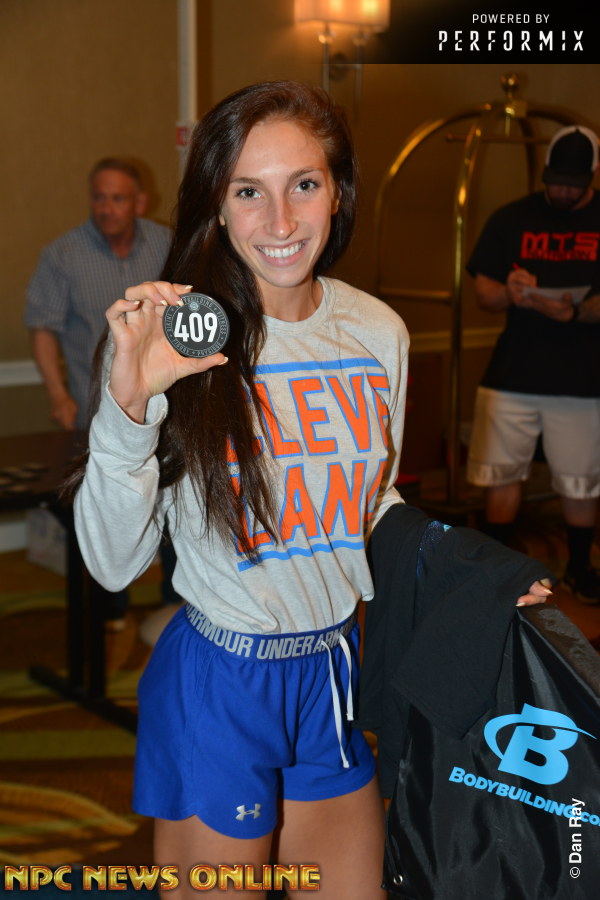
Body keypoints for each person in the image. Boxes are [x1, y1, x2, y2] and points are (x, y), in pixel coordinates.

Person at [67, 82, 549, 898]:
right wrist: (128, 407)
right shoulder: (175, 340)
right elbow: (113, 564)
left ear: (338, 192)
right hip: (222, 679)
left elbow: (370, 502)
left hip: (330, 671)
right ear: (217, 206)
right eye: (248, 191)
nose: (281, 220)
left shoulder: (377, 332)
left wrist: (476, 576)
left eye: (304, 184)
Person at [24, 158, 177, 627]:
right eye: (99, 197)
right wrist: (58, 395)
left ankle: (175, 603)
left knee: (172, 505)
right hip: (95, 413)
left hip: (166, 409)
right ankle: (110, 613)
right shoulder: (63, 254)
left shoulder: (166, 244)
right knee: (103, 512)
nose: (106, 207)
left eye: (117, 198)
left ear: (140, 202)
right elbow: (42, 329)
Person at [466, 125, 600, 605]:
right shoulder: (511, 218)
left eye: (572, 184)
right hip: (513, 372)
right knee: (500, 474)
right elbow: (484, 291)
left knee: (580, 480)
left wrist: (577, 312)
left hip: (582, 378)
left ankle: (580, 568)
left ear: (592, 175)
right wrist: (510, 292)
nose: (562, 191)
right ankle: (498, 573)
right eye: (555, 181)